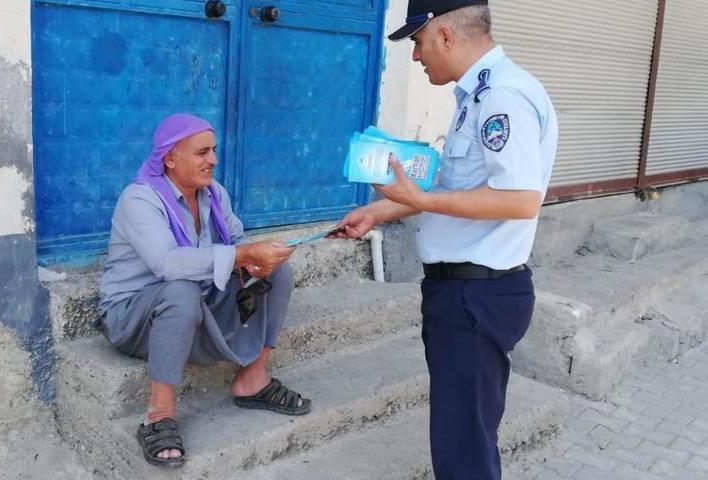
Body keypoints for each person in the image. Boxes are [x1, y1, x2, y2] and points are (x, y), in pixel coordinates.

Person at [332, 1, 558, 478]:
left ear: (445, 35)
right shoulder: (476, 97)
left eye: (417, 42)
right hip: (462, 292)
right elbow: (455, 189)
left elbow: (520, 199)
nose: (416, 57)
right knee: (465, 439)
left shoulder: (503, 98)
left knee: (463, 453)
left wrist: (423, 201)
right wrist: (380, 210)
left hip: (475, 296)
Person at [96, 113, 311, 468]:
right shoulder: (139, 200)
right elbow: (168, 264)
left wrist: (257, 258)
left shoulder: (214, 194)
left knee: (279, 274)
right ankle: (159, 414)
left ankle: (252, 379)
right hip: (133, 318)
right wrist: (241, 255)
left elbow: (237, 240)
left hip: (196, 305)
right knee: (179, 291)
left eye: (213, 150)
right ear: (170, 158)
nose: (213, 159)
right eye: (202, 152)